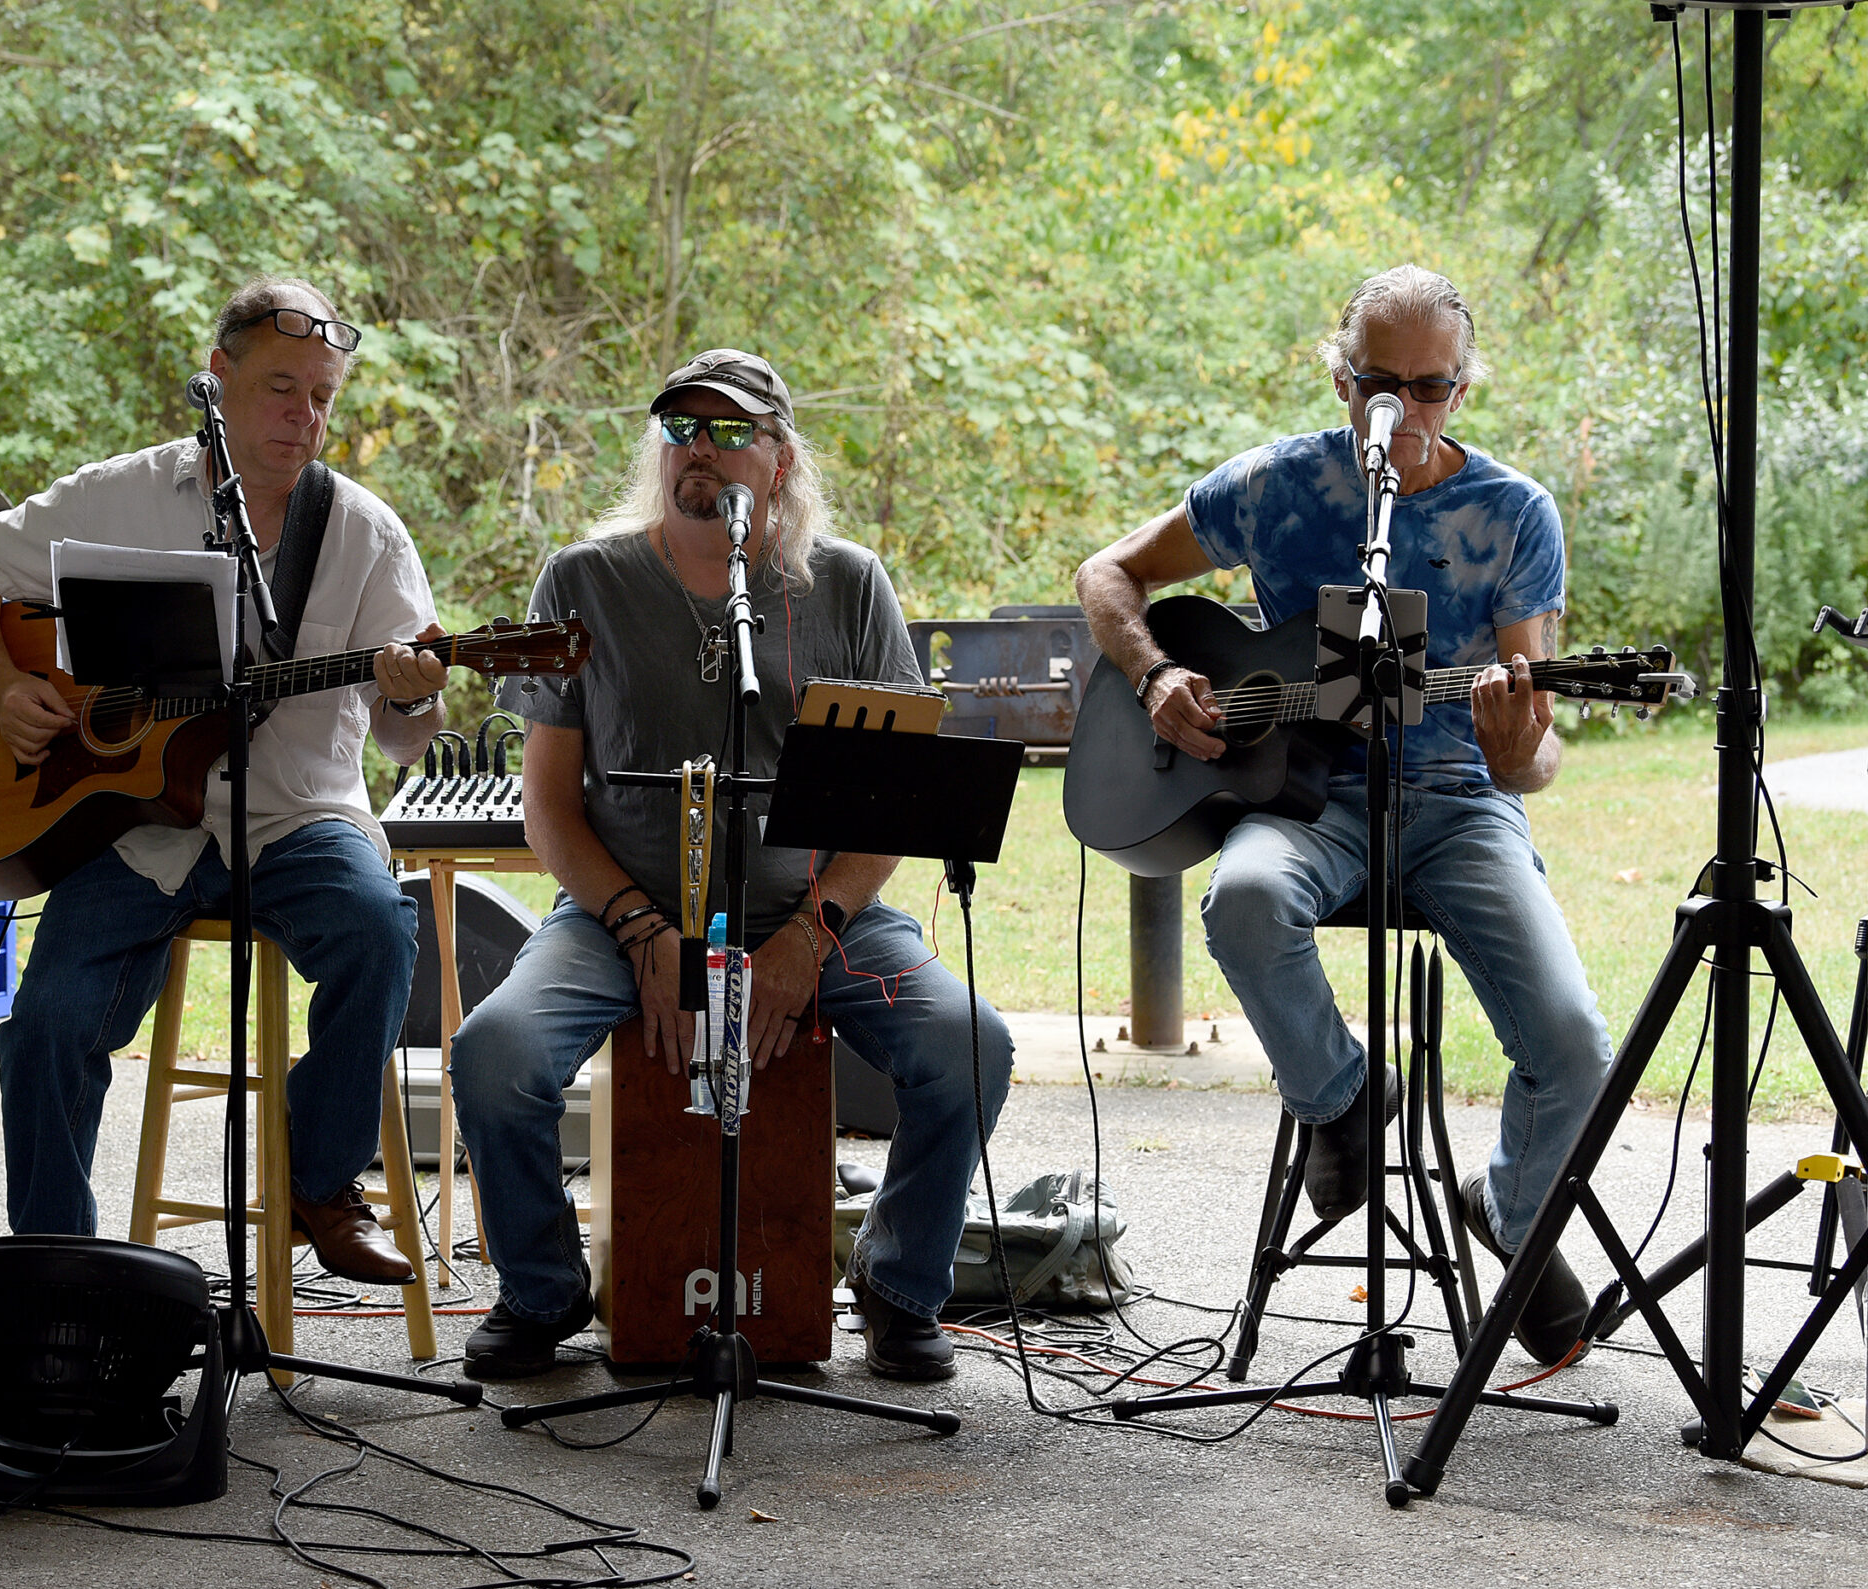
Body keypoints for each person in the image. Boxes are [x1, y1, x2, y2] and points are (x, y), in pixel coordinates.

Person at [1075, 264, 1610, 1363]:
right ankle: (1346, 1100)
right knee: (1245, 897)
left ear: (1462, 389)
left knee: (1573, 1041)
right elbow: (1108, 573)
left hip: (1460, 805)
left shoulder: (1513, 515)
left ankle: (1508, 1209)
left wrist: (1523, 755)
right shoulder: (1276, 486)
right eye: (1382, 385)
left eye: (1433, 388)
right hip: (1304, 793)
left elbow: (1536, 738)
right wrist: (1154, 674)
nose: (1407, 411)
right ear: (1339, 381)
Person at [450, 349, 1015, 1382]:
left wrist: (811, 933)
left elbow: (885, 810)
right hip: (624, 914)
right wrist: (639, 928)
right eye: (679, 432)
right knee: (495, 1053)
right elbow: (547, 807)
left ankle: (897, 1284)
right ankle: (541, 1288)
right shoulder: (586, 580)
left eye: (727, 432)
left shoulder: (846, 584)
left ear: (781, 457)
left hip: (819, 911)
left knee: (968, 1044)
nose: (698, 453)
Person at [0, 278, 446, 1281]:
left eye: (325, 396)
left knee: (380, 928)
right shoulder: (118, 494)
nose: (305, 417)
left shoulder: (366, 534)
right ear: (219, 379)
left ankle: (321, 1185)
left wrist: (416, 693)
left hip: (298, 817)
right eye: (281, 389)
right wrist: (0, 689)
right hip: (133, 826)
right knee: (45, 1026)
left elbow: (402, 740)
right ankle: (53, 1274)